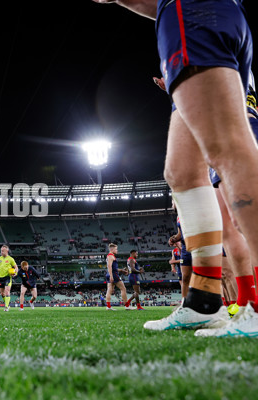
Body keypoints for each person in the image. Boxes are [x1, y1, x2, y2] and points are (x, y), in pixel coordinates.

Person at [92, 0, 251, 332]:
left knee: (228, 147)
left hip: (193, 12)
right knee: (181, 171)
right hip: (190, 14)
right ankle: (204, 302)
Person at [104, 243, 132, 311]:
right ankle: (127, 306)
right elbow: (109, 266)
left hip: (110, 274)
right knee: (123, 288)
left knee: (109, 290)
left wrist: (121, 270)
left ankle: (108, 307)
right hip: (113, 274)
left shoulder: (109, 256)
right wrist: (111, 276)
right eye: (116, 249)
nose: (117, 250)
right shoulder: (110, 256)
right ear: (112, 249)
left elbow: (113, 268)